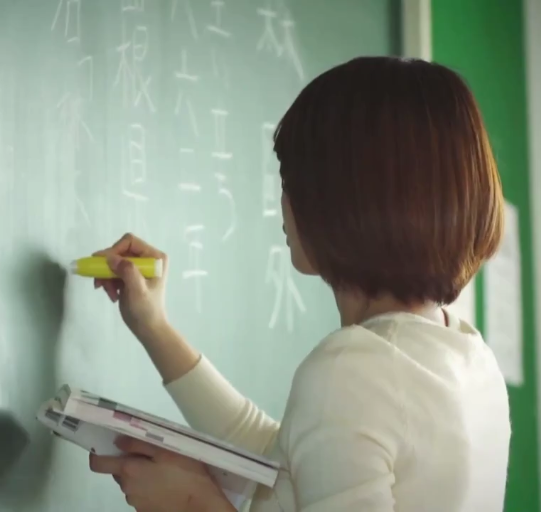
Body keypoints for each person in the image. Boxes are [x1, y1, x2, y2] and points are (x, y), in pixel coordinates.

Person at [87, 56, 511, 512]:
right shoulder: (469, 358)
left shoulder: (354, 370)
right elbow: (287, 464)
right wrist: (153, 326)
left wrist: (193, 502)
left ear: (339, 198)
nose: (283, 202)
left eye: (290, 180)